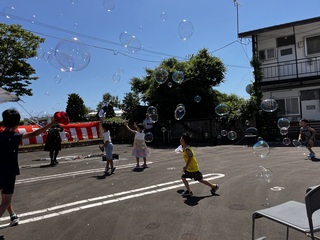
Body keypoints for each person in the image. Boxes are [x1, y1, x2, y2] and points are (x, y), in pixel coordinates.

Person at [0, 109, 58, 226]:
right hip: (9, 171)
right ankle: (11, 215)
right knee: (6, 200)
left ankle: (12, 215)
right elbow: (35, 133)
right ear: (17, 123)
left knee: (5, 195)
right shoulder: (15, 136)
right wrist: (51, 123)